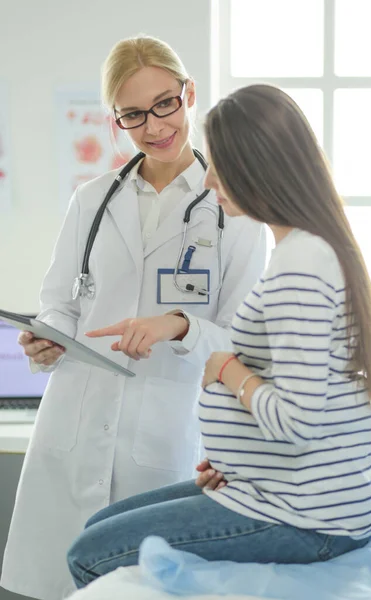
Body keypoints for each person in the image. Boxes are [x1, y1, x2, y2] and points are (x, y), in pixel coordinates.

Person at [66, 83, 371, 589]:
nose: (210, 180)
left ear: (260, 167)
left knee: (89, 553)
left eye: (220, 165)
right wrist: (240, 461)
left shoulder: (302, 266)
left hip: (307, 517)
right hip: (277, 488)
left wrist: (226, 369)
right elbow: (309, 395)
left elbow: (298, 421)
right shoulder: (307, 248)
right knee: (96, 528)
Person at [0, 37, 266, 600]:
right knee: (55, 583)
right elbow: (60, 303)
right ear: (116, 119)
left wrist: (180, 324)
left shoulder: (236, 210)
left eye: (165, 104)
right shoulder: (92, 199)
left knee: (147, 586)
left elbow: (242, 342)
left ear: (189, 94)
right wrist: (47, 340)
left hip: (167, 431)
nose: (153, 126)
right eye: (133, 115)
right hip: (73, 423)